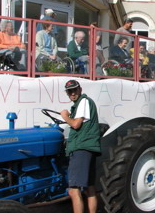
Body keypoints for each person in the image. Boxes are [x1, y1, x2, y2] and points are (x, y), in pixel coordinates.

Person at [60, 80, 101, 213]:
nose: (72, 93)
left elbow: (76, 124)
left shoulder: (84, 101)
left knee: (73, 190)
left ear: (80, 89)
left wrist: (65, 116)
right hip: (88, 147)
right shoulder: (81, 104)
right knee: (89, 187)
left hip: (81, 148)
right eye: (69, 91)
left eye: (74, 90)